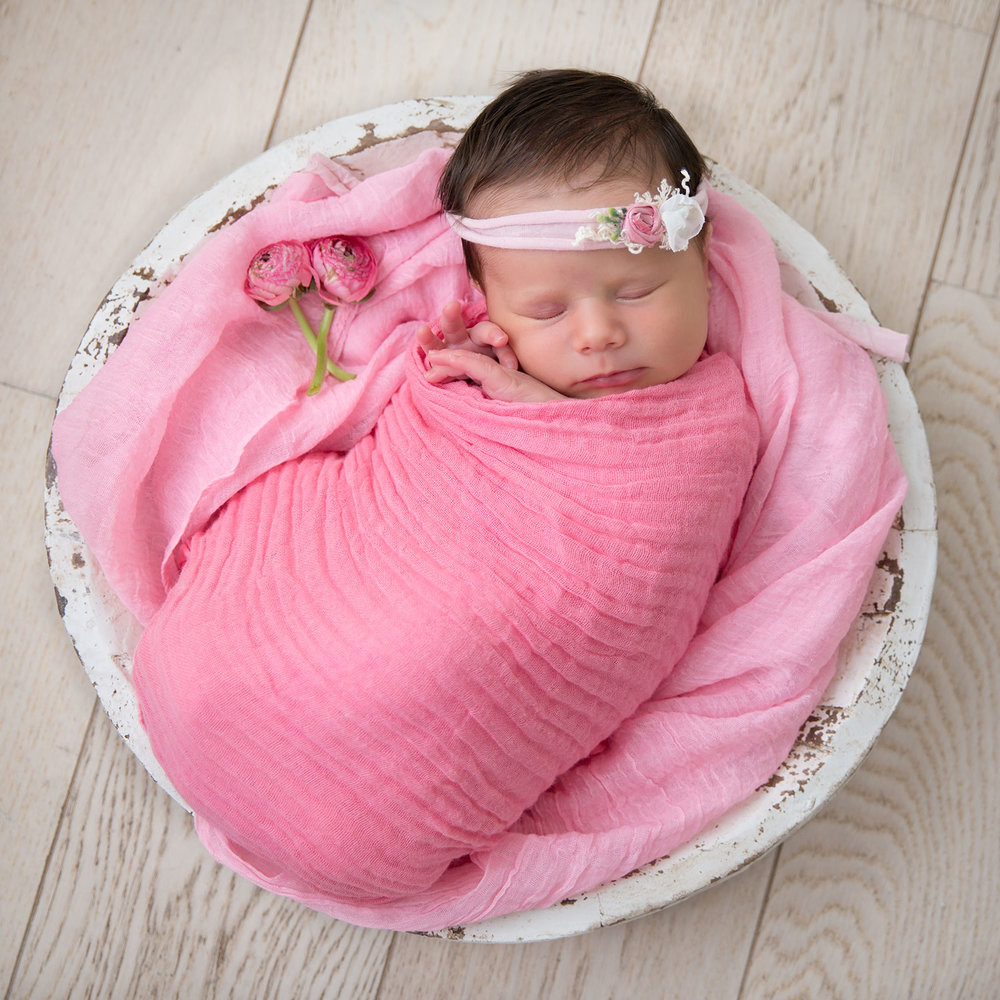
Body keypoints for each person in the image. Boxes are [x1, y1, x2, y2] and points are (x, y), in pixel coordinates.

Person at [415, 68, 714, 402]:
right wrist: (470, 380)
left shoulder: (716, 404)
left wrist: (541, 404)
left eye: (636, 293)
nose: (597, 335)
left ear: (703, 262)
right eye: (547, 311)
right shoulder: (496, 373)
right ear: (486, 296)